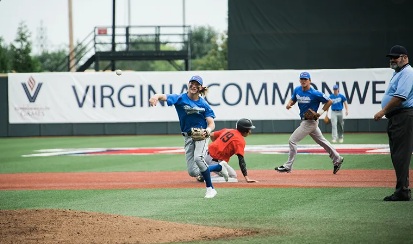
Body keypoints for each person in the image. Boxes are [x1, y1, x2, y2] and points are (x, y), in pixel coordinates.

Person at [149, 75, 229, 198]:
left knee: (199, 158)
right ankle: (219, 166)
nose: (194, 86)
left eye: (197, 84)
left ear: (200, 87)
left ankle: (210, 189)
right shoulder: (180, 98)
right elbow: (163, 96)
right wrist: (155, 97)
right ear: (188, 84)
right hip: (188, 136)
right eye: (192, 83)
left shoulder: (204, 104)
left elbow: (211, 123)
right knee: (193, 172)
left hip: (201, 135)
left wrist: (207, 131)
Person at [275, 71, 344, 174]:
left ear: (310, 81)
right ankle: (337, 158)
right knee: (322, 141)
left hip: (310, 122)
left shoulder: (315, 93)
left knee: (292, 141)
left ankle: (288, 166)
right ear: (299, 80)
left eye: (305, 79)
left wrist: (319, 113)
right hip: (306, 121)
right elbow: (293, 99)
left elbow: (329, 101)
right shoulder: (297, 90)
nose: (303, 81)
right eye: (302, 79)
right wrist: (289, 104)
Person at [373, 45, 413, 201]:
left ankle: (402, 191)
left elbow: (400, 97)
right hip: (397, 118)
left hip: (403, 116)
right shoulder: (399, 73)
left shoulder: (408, 72)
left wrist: (383, 111)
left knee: (401, 155)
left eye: (395, 57)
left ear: (404, 57)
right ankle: (402, 189)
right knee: (398, 155)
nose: (392, 60)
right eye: (391, 57)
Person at [205, 118, 258, 183]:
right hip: (215, 161)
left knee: (226, 170)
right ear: (245, 130)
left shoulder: (228, 130)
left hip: (205, 154)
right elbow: (241, 160)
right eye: (249, 129)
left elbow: (212, 134)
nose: (250, 131)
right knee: (232, 176)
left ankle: (204, 173)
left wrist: (217, 145)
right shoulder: (240, 141)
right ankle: (206, 176)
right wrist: (246, 177)